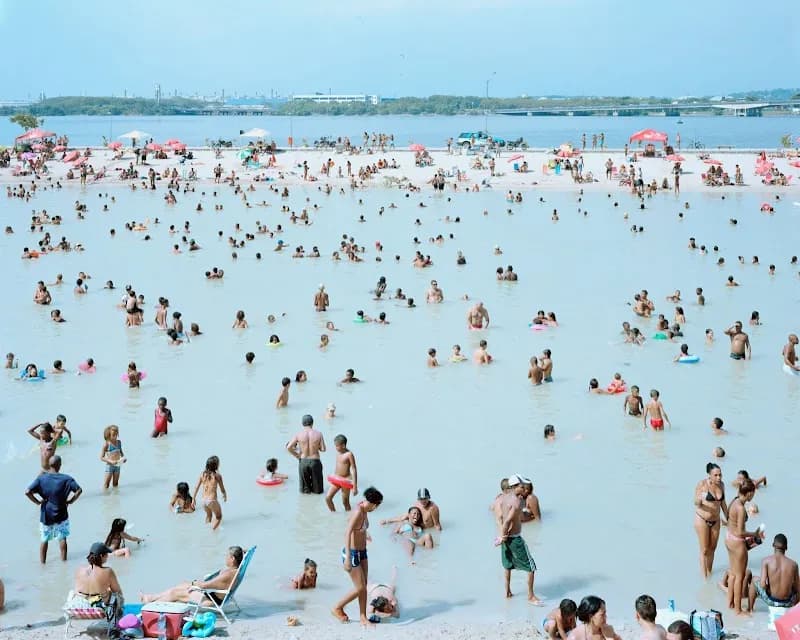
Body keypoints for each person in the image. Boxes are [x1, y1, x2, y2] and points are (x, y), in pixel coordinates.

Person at [332, 486, 384, 626]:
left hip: (363, 552)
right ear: (373, 504)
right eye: (377, 506)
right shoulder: (358, 512)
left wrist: (365, 534)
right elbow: (347, 532)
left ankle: (362, 617)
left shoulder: (365, 510)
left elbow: (358, 529)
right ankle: (337, 607)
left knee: (364, 586)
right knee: (360, 587)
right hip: (353, 553)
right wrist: (348, 558)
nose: (376, 509)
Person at [141, 546, 244, 606]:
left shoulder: (228, 575)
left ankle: (152, 606)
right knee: (183, 584)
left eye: (227, 556)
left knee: (174, 593)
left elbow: (204, 586)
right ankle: (151, 597)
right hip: (214, 596)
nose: (225, 558)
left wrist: (194, 584)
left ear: (233, 559)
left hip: (210, 600)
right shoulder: (235, 571)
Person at [25, 455, 82, 563]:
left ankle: (43, 563)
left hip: (46, 513)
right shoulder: (67, 479)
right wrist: (71, 501)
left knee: (44, 539)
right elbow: (79, 490)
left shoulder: (41, 478)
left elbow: (27, 492)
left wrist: (37, 502)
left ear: (49, 465)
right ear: (60, 465)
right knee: (62, 538)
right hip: (61, 512)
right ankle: (64, 561)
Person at [68, 542, 123, 639]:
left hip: (78, 605)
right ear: (102, 556)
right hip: (96, 609)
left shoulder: (79, 569)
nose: (108, 557)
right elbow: (117, 591)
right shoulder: (108, 571)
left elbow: (77, 590)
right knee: (116, 596)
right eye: (106, 554)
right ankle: (114, 627)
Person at [725, 478, 764, 615]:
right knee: (739, 576)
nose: (753, 496)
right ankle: (738, 610)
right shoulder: (741, 508)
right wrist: (754, 534)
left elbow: (732, 524)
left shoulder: (734, 501)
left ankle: (730, 603)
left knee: (733, 574)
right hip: (737, 543)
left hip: (729, 538)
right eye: (753, 494)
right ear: (749, 494)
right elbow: (741, 532)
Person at [499, 474, 540, 603]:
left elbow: (501, 518)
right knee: (531, 567)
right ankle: (530, 595)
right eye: (521, 486)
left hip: (506, 538)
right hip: (514, 538)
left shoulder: (503, 498)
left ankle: (507, 592)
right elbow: (507, 522)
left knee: (507, 565)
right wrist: (504, 535)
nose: (523, 489)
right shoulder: (517, 502)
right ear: (515, 486)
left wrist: (502, 536)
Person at [694, 463, 729, 578]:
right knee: (704, 550)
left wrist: (729, 519)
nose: (719, 478)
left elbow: (723, 504)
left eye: (720, 475)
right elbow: (696, 503)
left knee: (712, 548)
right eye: (716, 475)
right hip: (702, 519)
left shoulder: (722, 485)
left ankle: (709, 573)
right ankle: (705, 580)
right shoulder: (702, 485)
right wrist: (700, 499)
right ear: (709, 475)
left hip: (716, 520)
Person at [749, 533, 800, 611]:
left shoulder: (766, 561)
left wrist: (769, 590)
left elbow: (762, 585)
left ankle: (750, 609)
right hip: (788, 603)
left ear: (773, 545)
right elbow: (797, 588)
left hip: (771, 601)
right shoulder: (793, 564)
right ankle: (795, 613)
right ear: (786, 547)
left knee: (754, 580)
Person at [287, 414, 327, 494]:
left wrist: (297, 455)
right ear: (312, 423)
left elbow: (289, 447)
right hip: (315, 461)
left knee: (305, 491)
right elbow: (323, 449)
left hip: (303, 461)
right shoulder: (319, 434)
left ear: (302, 424)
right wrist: (316, 446)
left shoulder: (298, 434)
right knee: (318, 491)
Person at [193, 455, 227, 530]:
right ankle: (212, 532)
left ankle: (205, 530)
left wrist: (193, 499)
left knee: (209, 516)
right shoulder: (217, 476)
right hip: (212, 500)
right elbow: (222, 489)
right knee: (219, 517)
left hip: (203, 501)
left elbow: (196, 487)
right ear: (216, 465)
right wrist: (225, 495)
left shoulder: (202, 474)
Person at [326, 434, 358, 511]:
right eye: (335, 446)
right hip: (337, 479)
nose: (336, 448)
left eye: (337, 446)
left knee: (345, 502)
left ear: (343, 445)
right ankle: (334, 515)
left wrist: (355, 486)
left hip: (345, 480)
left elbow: (354, 469)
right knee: (328, 498)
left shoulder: (349, 454)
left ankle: (349, 518)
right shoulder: (338, 453)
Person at [100, 425, 126, 490]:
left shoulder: (119, 442)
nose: (115, 436)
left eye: (116, 434)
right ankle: (105, 498)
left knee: (115, 483)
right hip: (110, 466)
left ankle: (115, 498)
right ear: (108, 436)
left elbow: (121, 451)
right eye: (113, 435)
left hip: (118, 465)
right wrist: (111, 461)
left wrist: (123, 458)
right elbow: (101, 457)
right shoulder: (106, 444)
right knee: (106, 485)